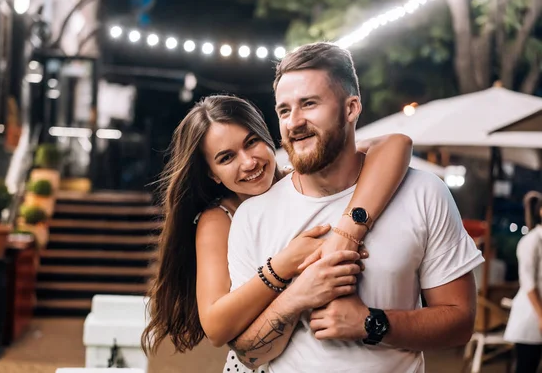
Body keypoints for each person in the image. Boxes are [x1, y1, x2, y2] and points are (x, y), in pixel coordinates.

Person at [226, 42, 485, 373]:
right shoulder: (253, 216)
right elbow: (249, 354)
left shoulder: (423, 192)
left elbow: (460, 321)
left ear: (351, 109)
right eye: (284, 110)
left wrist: (372, 323)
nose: (294, 122)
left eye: (309, 104)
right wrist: (296, 298)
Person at [140, 95, 413, 372]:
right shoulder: (219, 219)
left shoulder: (306, 181)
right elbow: (216, 326)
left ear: (269, 137)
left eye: (251, 142)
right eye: (227, 158)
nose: (248, 162)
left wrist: (349, 232)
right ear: (212, 174)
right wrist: (283, 265)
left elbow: (395, 143)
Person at [505, 192, 542, 373]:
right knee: (526, 366)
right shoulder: (532, 240)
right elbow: (528, 282)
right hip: (531, 317)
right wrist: (541, 315)